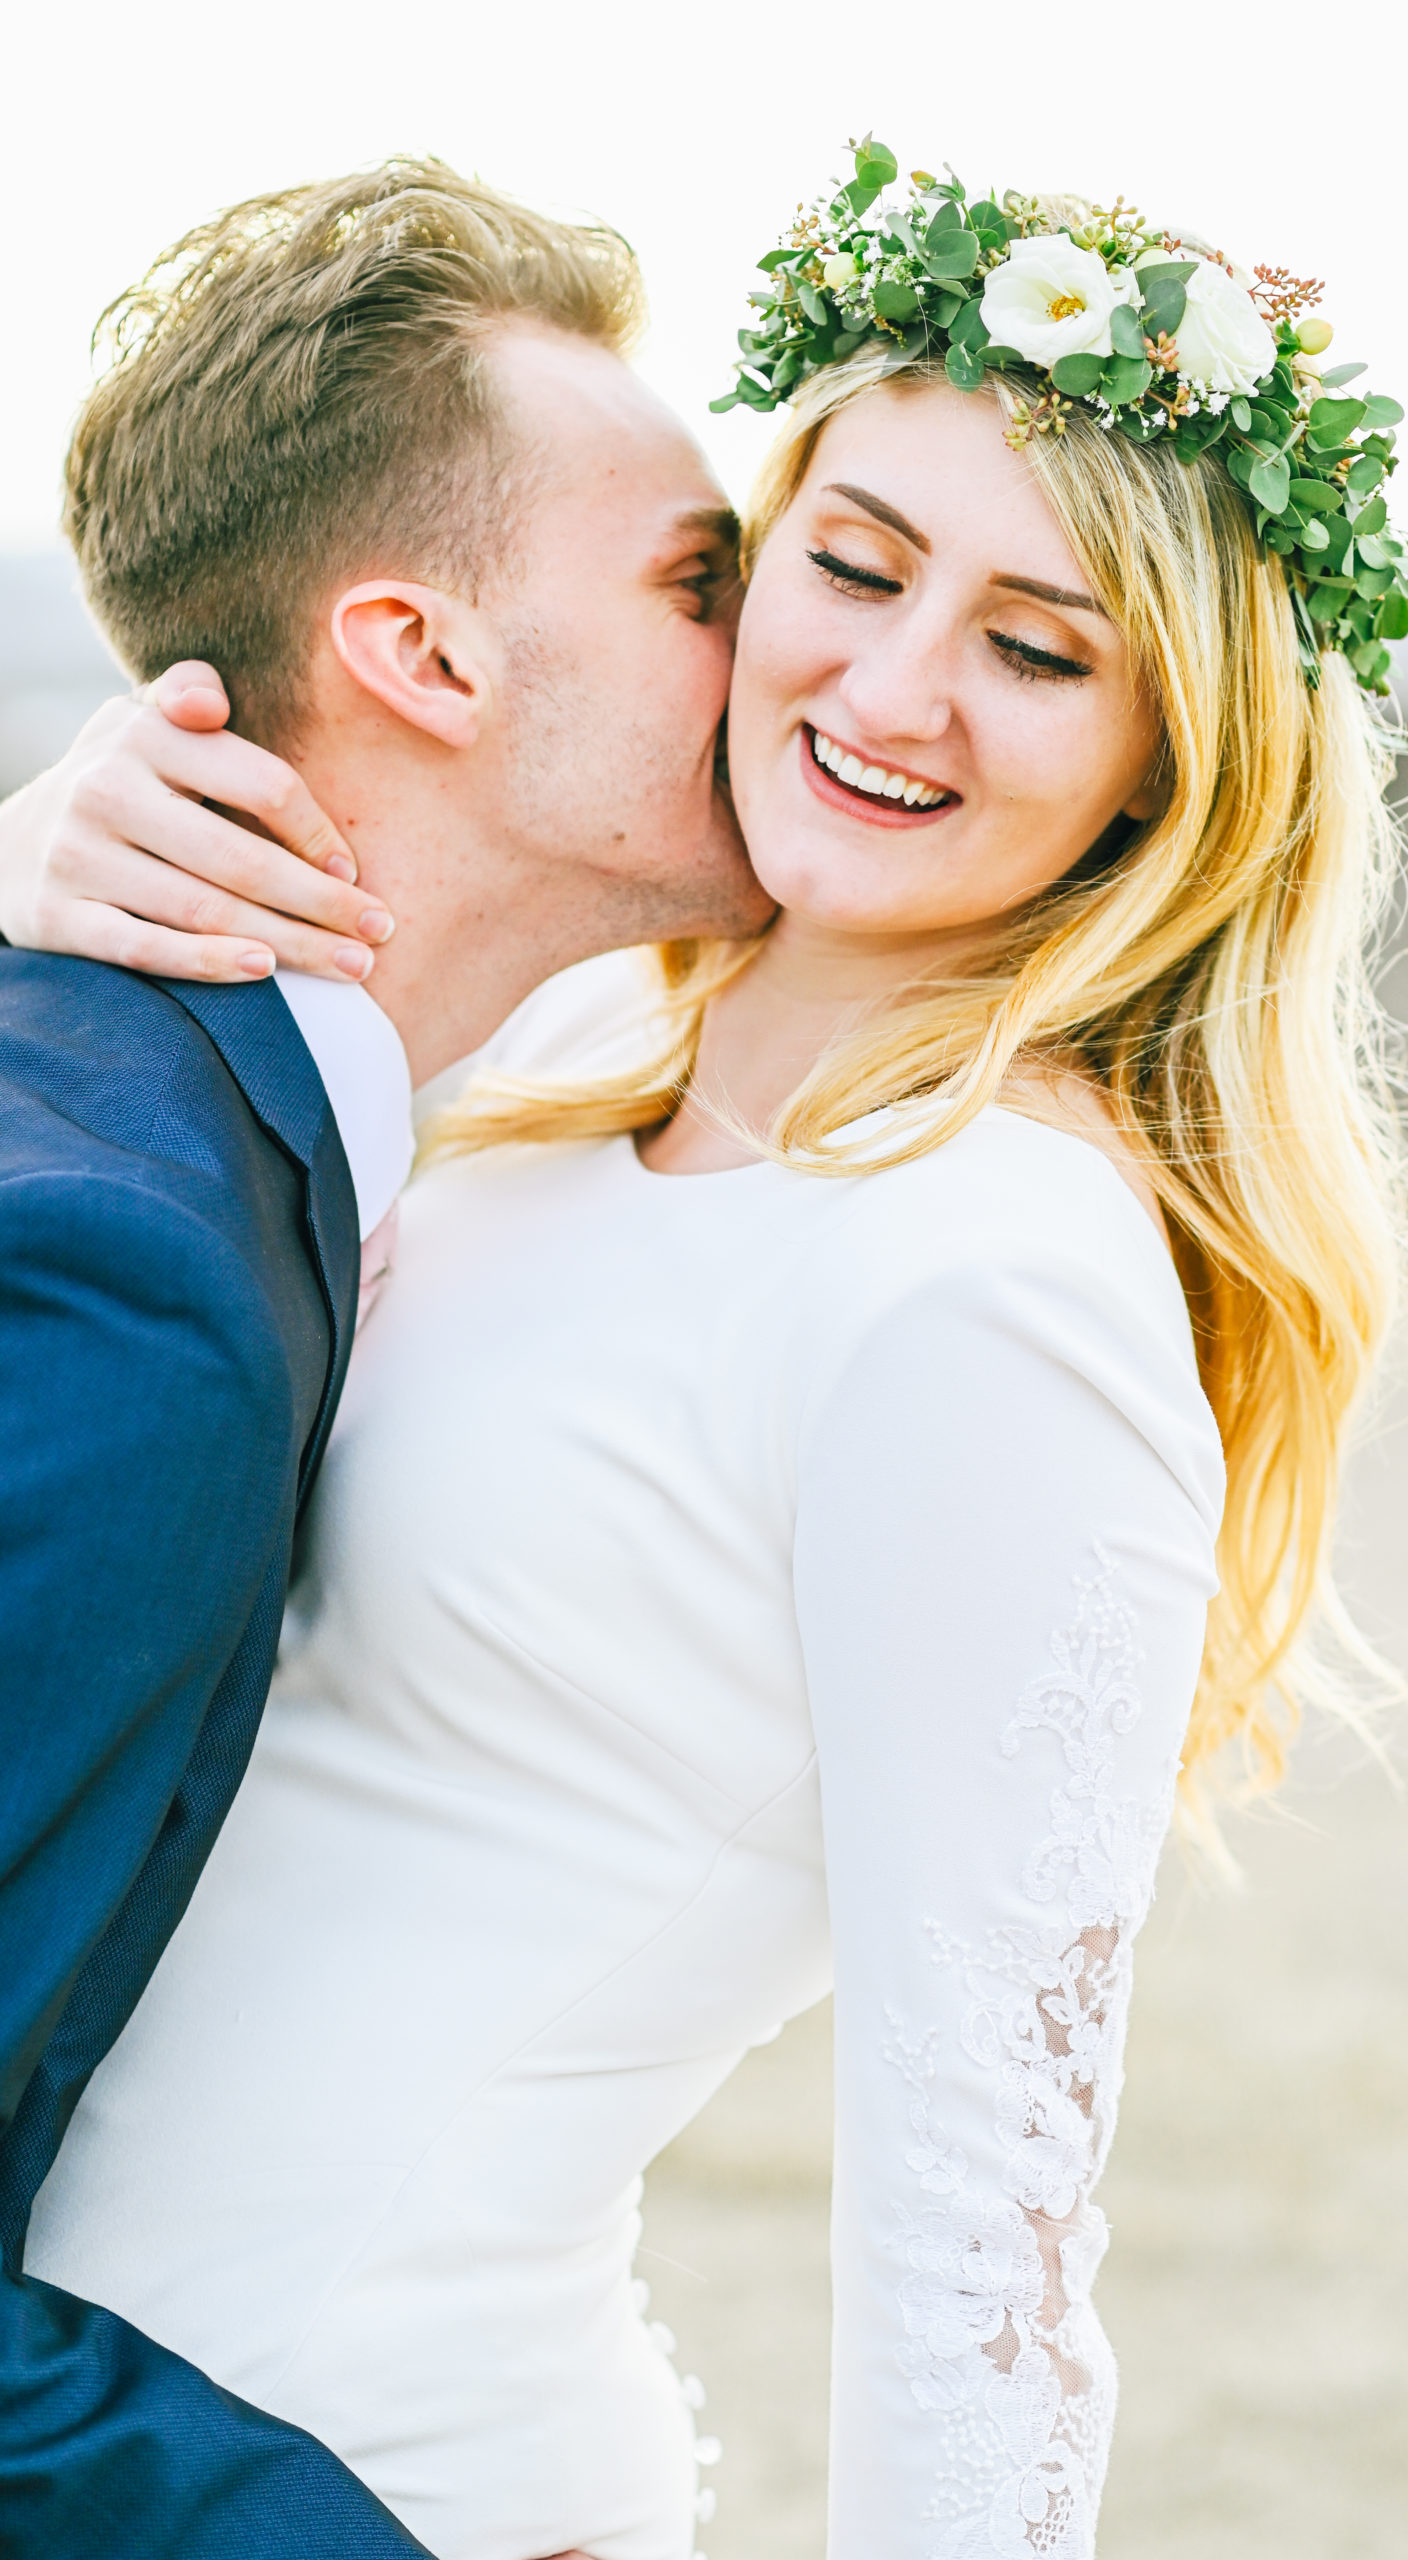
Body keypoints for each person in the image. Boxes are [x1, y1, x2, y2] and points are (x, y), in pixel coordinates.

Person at [1, 154, 1408, 2560]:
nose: (887, 689)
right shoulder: (540, 1101)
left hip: (349, 2476)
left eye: (1040, 648)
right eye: (840, 569)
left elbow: (989, 2225)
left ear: (1160, 763)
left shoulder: (991, 1284)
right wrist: (73, 849)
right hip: (114, 2429)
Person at [0, 160, 769, 2560]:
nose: (811, 664)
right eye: (700, 582)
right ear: (425, 658)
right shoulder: (140, 1300)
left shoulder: (187, 1122)